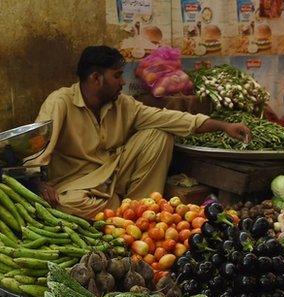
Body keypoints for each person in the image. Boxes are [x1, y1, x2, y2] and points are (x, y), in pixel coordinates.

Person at [29, 46, 252, 218]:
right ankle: (126, 209)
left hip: (114, 173)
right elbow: (35, 146)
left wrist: (223, 126)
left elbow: (172, 118)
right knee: (65, 205)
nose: (123, 82)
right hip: (77, 185)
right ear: (96, 78)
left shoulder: (124, 104)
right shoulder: (60, 102)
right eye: (117, 76)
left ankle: (138, 209)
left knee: (160, 133)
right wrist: (38, 183)